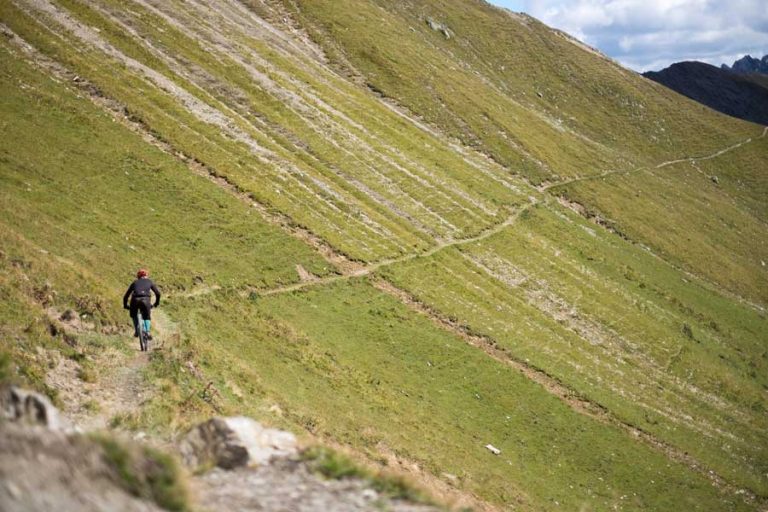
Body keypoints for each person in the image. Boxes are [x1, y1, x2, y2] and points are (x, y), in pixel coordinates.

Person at [123, 268, 161, 340]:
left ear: (138, 276)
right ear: (146, 275)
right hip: (146, 300)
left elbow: (126, 296)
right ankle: (148, 331)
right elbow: (158, 293)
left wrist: (125, 305)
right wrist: (156, 303)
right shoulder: (149, 281)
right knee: (147, 316)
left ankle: (137, 331)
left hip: (135, 300)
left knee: (134, 315)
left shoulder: (134, 282)